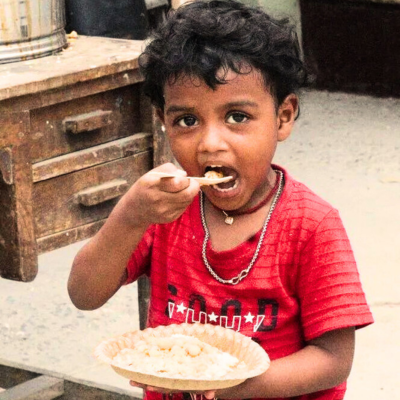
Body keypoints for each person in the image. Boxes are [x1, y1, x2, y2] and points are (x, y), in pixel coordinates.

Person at [67, 1, 374, 399]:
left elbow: (334, 360)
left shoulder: (311, 226)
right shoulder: (163, 212)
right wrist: (129, 215)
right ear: (164, 121)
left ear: (283, 117)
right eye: (187, 121)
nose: (211, 144)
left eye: (237, 117)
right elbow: (84, 294)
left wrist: (231, 384)